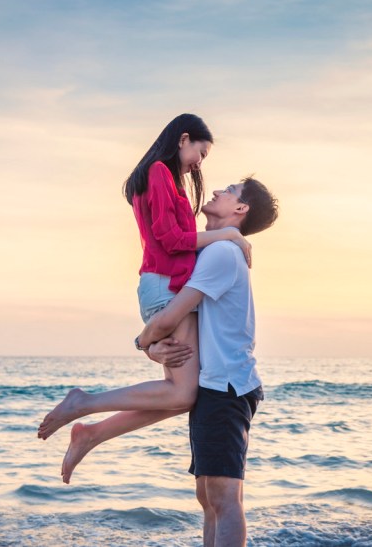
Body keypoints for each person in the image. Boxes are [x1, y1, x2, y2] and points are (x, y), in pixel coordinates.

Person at [65, 176, 280, 547]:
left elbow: (171, 315)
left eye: (229, 191)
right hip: (218, 385)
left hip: (227, 387)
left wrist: (143, 343)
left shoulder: (220, 254)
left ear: (240, 209)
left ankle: (87, 411)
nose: (217, 190)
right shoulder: (213, 249)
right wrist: (153, 346)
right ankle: (91, 429)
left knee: (224, 499)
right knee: (209, 498)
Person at [37, 113, 250, 451]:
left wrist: (150, 345)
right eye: (201, 153)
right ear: (183, 140)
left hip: (164, 286)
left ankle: (92, 433)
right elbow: (171, 239)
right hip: (165, 286)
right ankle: (84, 404)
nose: (199, 165)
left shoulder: (162, 177)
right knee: (182, 393)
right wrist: (228, 234)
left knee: (181, 397)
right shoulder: (159, 173)